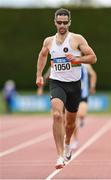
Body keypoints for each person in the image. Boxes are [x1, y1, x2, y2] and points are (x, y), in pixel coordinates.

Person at [36, 8, 97, 169]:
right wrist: (39, 75)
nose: (62, 25)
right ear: (55, 22)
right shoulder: (48, 41)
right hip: (57, 83)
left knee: (70, 124)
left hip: (74, 85)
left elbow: (93, 58)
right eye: (59, 22)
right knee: (57, 115)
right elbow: (42, 55)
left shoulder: (77, 39)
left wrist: (77, 59)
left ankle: (68, 143)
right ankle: (60, 156)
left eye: (65, 22)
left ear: (69, 22)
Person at [70, 64, 97, 150]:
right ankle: (75, 140)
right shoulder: (70, 64)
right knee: (73, 120)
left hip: (83, 95)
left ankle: (82, 119)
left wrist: (92, 86)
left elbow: (93, 74)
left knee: (81, 114)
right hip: (72, 95)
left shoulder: (86, 66)